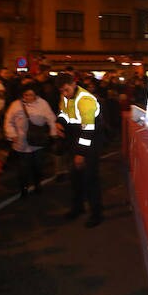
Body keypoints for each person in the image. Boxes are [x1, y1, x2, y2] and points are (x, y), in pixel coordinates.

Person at [54, 73, 104, 228]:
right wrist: (59, 122)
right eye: (62, 91)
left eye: (66, 90)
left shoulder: (85, 100)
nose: (64, 93)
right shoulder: (65, 96)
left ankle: (97, 214)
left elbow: (88, 131)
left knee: (90, 179)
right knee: (75, 179)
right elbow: (63, 112)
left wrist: (80, 154)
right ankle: (78, 208)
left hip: (90, 140)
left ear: (73, 84)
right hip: (75, 137)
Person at [3, 84, 57, 199]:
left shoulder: (43, 104)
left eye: (31, 94)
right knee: (23, 168)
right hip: (21, 143)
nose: (29, 97)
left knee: (38, 166)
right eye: (26, 95)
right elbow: (8, 121)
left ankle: (37, 184)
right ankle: (24, 188)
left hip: (38, 142)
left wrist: (53, 132)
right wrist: (12, 134)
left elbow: (51, 118)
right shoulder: (15, 105)